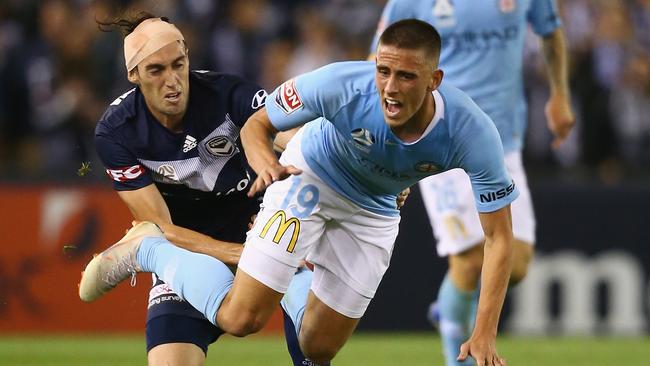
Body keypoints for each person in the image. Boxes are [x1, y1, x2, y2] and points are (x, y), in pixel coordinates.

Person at [80, 19, 517, 366]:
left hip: (371, 209)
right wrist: (266, 165)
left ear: (434, 80)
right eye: (382, 71)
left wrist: (484, 331)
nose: (389, 87)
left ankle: (294, 276)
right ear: (134, 75)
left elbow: (499, 238)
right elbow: (262, 128)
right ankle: (148, 251)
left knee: (317, 349)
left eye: (406, 76)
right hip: (303, 183)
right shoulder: (340, 83)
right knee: (241, 318)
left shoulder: (472, 133)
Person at [90, 13, 312, 366]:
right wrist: (240, 253)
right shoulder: (116, 133)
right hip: (190, 249)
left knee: (313, 339)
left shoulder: (228, 94)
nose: (172, 81)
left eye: (179, 64)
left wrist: (359, 168)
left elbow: (293, 135)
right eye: (156, 70)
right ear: (133, 75)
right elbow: (160, 229)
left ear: (188, 56)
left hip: (264, 226)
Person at [369, 1, 575, 365]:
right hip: (438, 138)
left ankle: (450, 307)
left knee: (518, 263)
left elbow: (550, 32)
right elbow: (378, 59)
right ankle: (456, 353)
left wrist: (560, 94)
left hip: (502, 140)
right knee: (467, 260)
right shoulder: (412, 3)